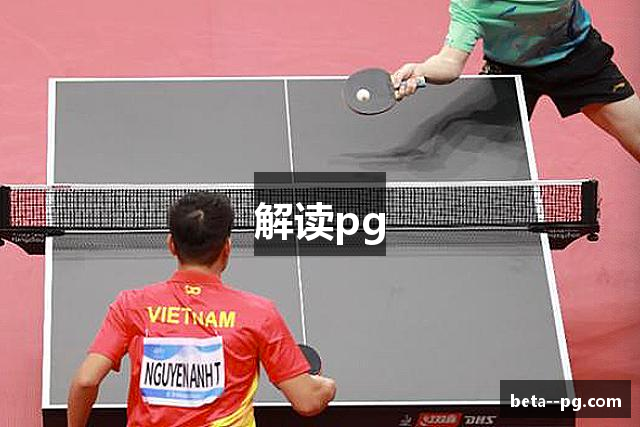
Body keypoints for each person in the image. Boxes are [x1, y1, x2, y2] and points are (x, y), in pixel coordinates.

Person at [67, 192, 336, 427]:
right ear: (227, 248)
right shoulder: (259, 314)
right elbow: (308, 401)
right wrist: (326, 387)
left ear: (171, 245)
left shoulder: (131, 305)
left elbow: (86, 381)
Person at [392, 0, 640, 163]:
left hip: (578, 58)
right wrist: (421, 70)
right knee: (484, 166)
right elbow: (449, 62)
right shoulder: (472, 4)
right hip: (509, 73)